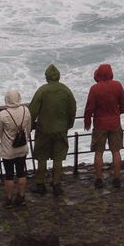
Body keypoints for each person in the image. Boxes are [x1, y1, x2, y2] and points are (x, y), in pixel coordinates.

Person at [29, 63, 77, 197]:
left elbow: (32, 112)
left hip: (44, 130)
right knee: (58, 158)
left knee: (42, 157)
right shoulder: (66, 90)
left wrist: (28, 126)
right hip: (61, 129)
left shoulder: (42, 91)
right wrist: (69, 124)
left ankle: (40, 184)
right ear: (59, 76)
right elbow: (72, 109)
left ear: (46, 77)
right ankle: (56, 184)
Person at [83, 63, 124, 189]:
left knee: (98, 153)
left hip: (100, 124)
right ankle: (117, 178)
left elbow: (89, 108)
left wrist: (87, 122)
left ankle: (99, 179)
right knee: (116, 151)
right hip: (115, 123)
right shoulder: (117, 85)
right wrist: (119, 112)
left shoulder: (95, 89)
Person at [0, 89, 32, 209]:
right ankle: (22, 197)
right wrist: (26, 139)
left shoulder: (3, 114)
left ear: (7, 99)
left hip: (8, 150)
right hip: (22, 147)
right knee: (21, 172)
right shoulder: (26, 110)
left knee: (9, 174)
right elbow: (28, 129)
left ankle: (8, 200)